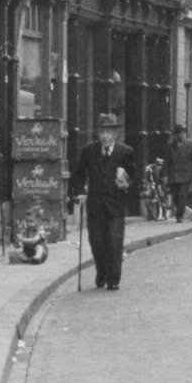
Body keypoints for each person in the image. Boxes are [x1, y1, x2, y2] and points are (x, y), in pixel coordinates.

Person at [69, 113, 138, 290]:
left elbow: (134, 177)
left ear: (115, 134)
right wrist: (80, 192)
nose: (106, 136)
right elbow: (78, 175)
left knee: (114, 243)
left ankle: (113, 280)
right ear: (98, 134)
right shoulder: (89, 151)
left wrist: (126, 184)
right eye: (102, 132)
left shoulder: (125, 152)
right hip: (95, 206)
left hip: (116, 206)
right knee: (97, 243)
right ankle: (101, 271)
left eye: (109, 132)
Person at [166, 123, 192, 222]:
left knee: (183, 195)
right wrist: (165, 175)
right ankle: (181, 211)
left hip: (187, 174)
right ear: (175, 135)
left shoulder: (190, 144)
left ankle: (179, 216)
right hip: (174, 175)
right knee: (176, 197)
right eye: (178, 134)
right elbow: (167, 161)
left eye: (182, 133)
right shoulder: (170, 144)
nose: (181, 135)